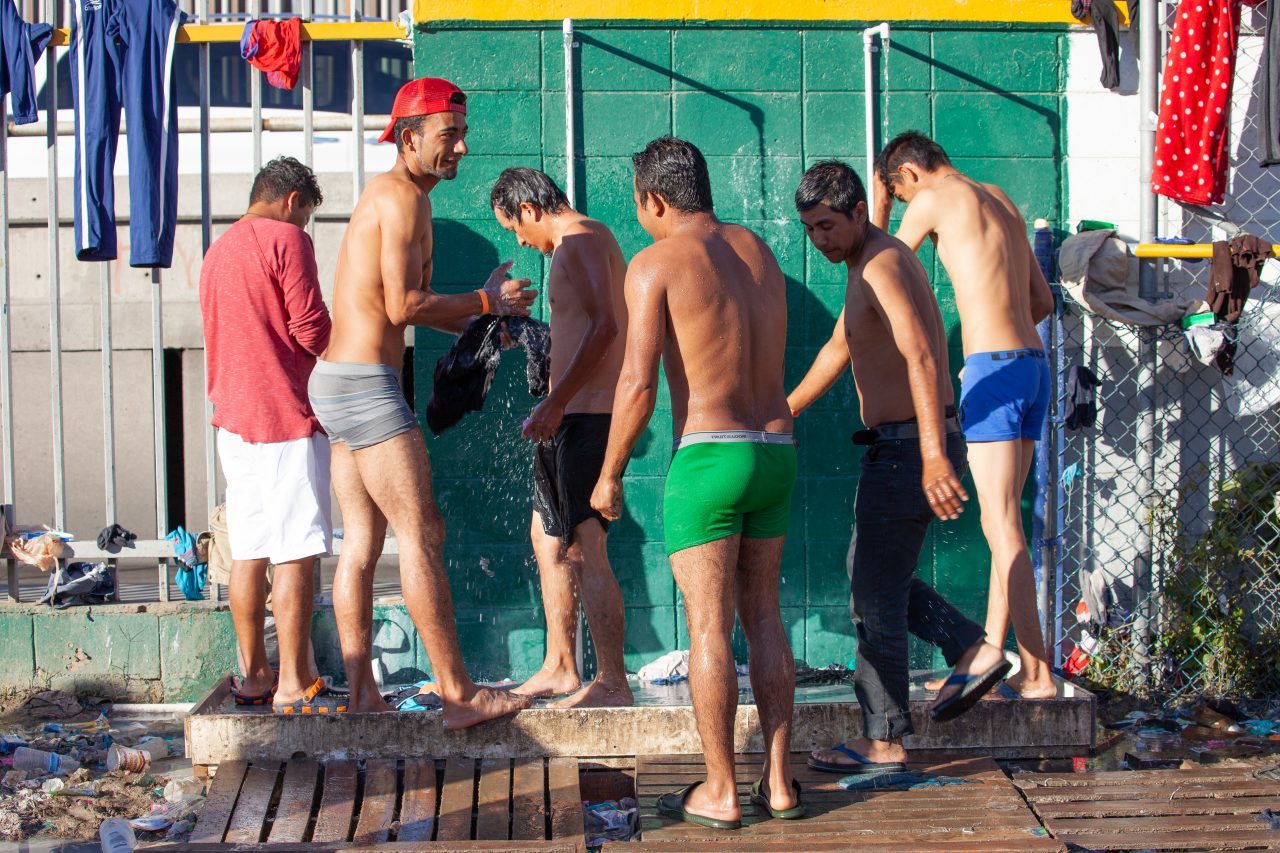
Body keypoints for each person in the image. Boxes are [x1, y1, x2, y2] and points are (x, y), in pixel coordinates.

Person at [308, 77, 536, 725]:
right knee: (422, 530)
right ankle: (460, 694)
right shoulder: (401, 199)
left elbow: (412, 313)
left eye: (462, 133)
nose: (462, 146)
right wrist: (486, 303)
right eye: (448, 135)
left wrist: (485, 320)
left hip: (338, 379)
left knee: (361, 542)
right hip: (363, 385)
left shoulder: (401, 199)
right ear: (409, 138)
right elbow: (400, 306)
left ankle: (362, 698)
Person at [591, 137, 803, 829]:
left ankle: (719, 789)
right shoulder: (760, 253)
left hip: (709, 456)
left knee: (709, 623)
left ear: (654, 199)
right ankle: (778, 783)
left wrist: (610, 473)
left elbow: (636, 384)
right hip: (775, 449)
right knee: (764, 614)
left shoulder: (654, 263)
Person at [787, 161, 1012, 774]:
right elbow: (840, 346)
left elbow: (918, 352)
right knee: (874, 576)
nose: (820, 240)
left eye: (828, 226)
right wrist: (785, 412)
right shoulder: (871, 261)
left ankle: (884, 737)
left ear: (858, 211)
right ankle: (970, 645)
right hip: (902, 443)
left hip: (911, 445)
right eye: (810, 230)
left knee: (873, 596)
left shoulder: (882, 262)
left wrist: (934, 454)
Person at [872, 131, 1057, 700]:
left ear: (907, 173)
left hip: (992, 369)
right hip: (1033, 365)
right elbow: (1043, 302)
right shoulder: (999, 197)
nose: (906, 203)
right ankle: (992, 654)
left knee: (1000, 527)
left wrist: (880, 210)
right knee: (1008, 523)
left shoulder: (931, 198)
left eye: (899, 192)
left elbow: (885, 266)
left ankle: (1038, 673)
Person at [199, 156, 342, 714]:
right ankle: (293, 683)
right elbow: (310, 328)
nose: (304, 226)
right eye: (306, 215)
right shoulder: (286, 238)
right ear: (292, 201)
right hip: (284, 414)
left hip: (233, 422)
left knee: (250, 551)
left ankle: (255, 676)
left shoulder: (218, 250)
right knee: (297, 552)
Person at [489, 167, 633, 709]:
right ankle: (560, 665)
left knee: (583, 547)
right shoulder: (582, 245)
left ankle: (613, 681)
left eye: (515, 228)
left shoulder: (580, 241)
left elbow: (605, 328)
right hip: (570, 416)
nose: (520, 241)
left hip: (587, 417)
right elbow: (583, 329)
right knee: (546, 539)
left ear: (528, 209)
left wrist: (555, 400)